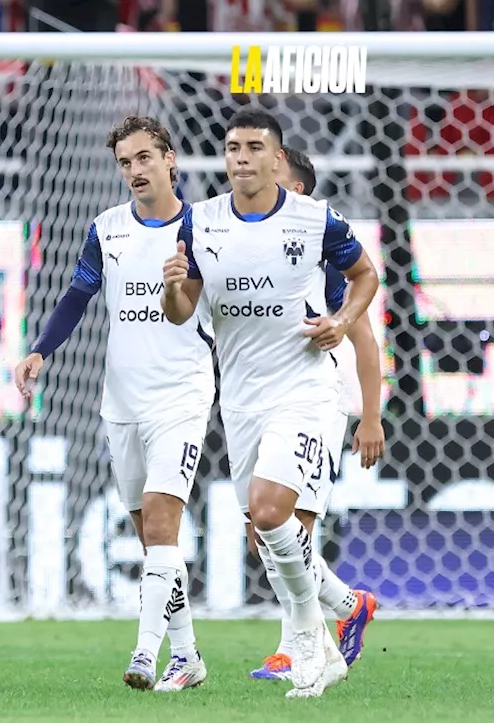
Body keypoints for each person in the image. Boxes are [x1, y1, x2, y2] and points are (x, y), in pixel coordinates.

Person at [160, 107, 380, 698]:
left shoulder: (314, 220)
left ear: (276, 158)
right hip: (240, 397)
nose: (241, 158)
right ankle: (342, 609)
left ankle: (306, 636)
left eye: (254, 148)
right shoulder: (200, 222)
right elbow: (181, 312)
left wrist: (342, 320)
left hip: (305, 390)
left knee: (273, 509)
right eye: (233, 147)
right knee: (264, 529)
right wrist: (172, 287)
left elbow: (367, 275)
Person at [13, 115, 212, 693]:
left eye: (145, 158)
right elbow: (77, 295)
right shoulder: (107, 228)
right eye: (125, 162)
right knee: (152, 538)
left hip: (181, 393)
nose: (135, 171)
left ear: (170, 159)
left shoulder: (202, 229)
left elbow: (201, 305)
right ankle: (189, 656)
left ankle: (145, 655)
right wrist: (41, 352)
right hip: (120, 401)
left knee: (160, 521)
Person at [247, 145, 382, 682]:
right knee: (266, 536)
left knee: (290, 524)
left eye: (269, 169)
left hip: (316, 401)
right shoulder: (252, 251)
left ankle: (293, 648)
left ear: (295, 190)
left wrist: (370, 416)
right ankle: (349, 608)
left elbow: (365, 339)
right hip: (262, 396)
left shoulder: (324, 252)